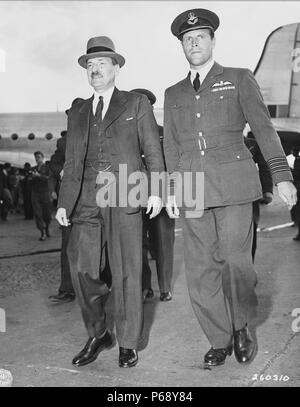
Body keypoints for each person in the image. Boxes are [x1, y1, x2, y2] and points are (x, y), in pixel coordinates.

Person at [163, 8, 296, 367]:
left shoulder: (238, 78)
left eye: (200, 37)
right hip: (192, 186)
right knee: (200, 269)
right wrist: (172, 188)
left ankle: (241, 328)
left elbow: (263, 128)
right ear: (182, 46)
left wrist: (282, 175)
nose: (194, 43)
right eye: (187, 39)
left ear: (212, 41)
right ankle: (218, 339)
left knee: (237, 263)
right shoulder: (173, 93)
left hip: (235, 183)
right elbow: (171, 145)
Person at [55, 36, 164, 368]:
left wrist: (157, 190)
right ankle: (99, 332)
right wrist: (63, 203)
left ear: (117, 68)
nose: (95, 69)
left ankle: (128, 342)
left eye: (102, 63)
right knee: (83, 270)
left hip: (125, 191)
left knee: (128, 269)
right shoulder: (77, 111)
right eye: (90, 65)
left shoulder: (135, 104)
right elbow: (72, 162)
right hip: (86, 197)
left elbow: (152, 149)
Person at [131, 88, 175, 302]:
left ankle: (165, 287)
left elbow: (173, 166)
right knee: (136, 243)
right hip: (131, 195)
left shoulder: (163, 133)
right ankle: (145, 286)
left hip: (161, 194)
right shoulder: (124, 135)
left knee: (163, 243)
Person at [48, 129, 76, 304]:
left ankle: (105, 284)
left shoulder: (99, 132)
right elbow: (54, 163)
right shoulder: (64, 142)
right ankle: (67, 289)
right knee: (67, 247)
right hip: (70, 204)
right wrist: (62, 172)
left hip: (94, 202)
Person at [245, 133, 273, 260]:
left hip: (249, 196)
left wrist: (267, 190)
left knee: (250, 233)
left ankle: (248, 270)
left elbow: (264, 167)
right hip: (218, 194)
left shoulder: (252, 144)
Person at [30, 151, 52, 241]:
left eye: (38, 157)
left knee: (47, 214)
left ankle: (46, 228)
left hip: (45, 193)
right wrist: (31, 177)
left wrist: (39, 176)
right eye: (35, 157)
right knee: (38, 214)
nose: (37, 159)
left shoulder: (47, 168)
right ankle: (42, 232)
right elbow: (30, 181)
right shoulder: (33, 168)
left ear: (42, 158)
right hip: (35, 193)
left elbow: (49, 179)